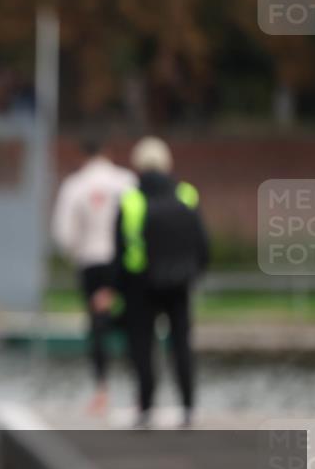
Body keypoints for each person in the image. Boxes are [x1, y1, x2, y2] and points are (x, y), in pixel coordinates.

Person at [95, 137, 209, 429]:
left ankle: (146, 407)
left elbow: (120, 249)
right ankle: (188, 407)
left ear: (137, 165)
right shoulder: (186, 195)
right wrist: (195, 273)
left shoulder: (131, 199)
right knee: (181, 345)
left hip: (140, 284)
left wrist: (114, 287)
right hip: (179, 282)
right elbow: (201, 242)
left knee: (142, 347)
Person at [51, 136, 135, 414]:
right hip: (123, 262)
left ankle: (101, 391)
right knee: (134, 323)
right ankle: (140, 389)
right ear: (108, 152)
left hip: (91, 263)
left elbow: (63, 233)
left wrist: (76, 253)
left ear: (82, 156)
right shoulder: (127, 181)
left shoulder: (75, 185)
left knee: (97, 327)